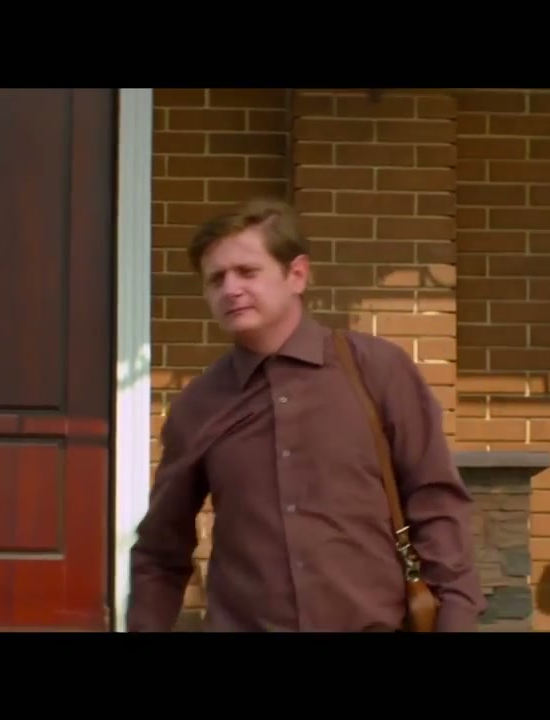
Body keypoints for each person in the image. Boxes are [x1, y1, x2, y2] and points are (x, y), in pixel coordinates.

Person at [126, 197, 484, 632]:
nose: (231, 289)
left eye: (247, 272)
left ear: (296, 274)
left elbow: (436, 503)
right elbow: (160, 550)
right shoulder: (199, 405)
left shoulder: (376, 371)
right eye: (216, 279)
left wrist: (456, 618)